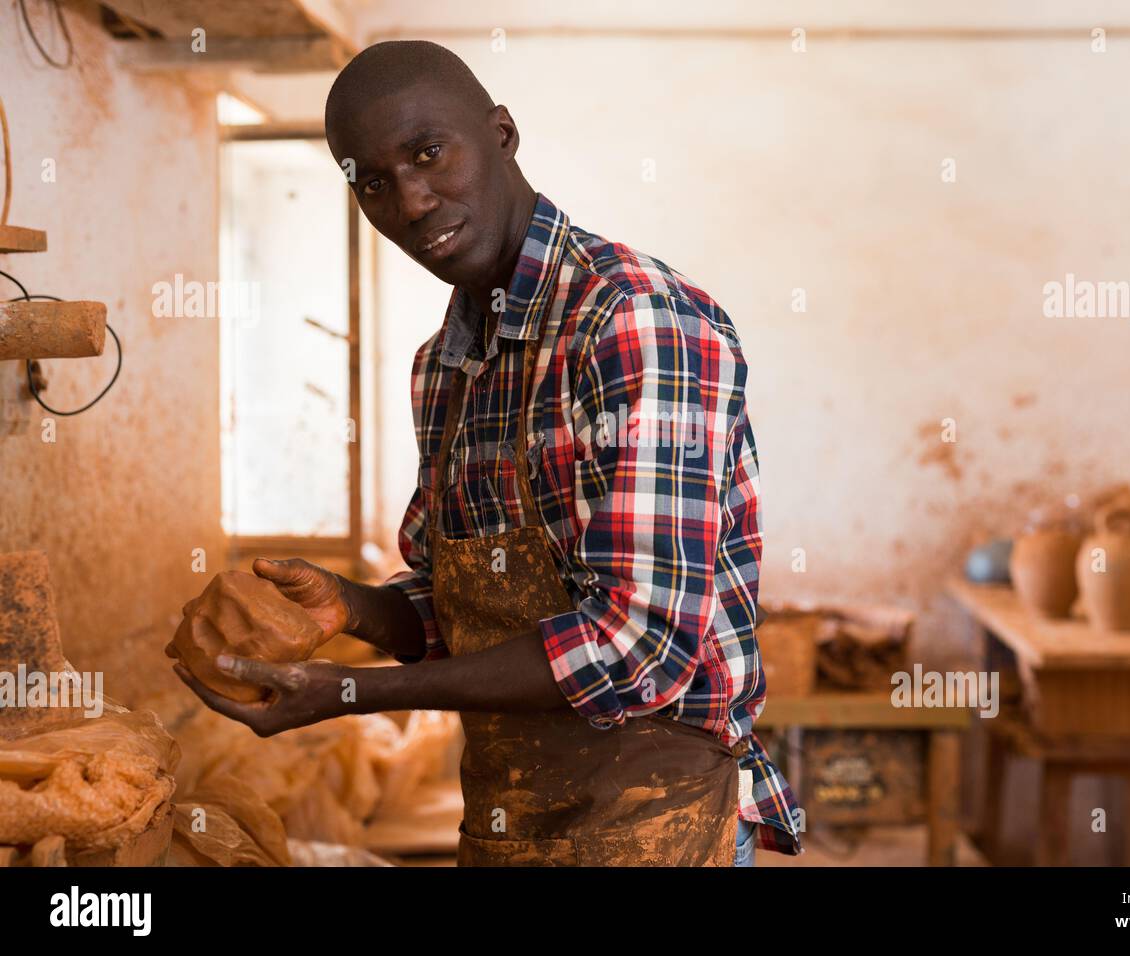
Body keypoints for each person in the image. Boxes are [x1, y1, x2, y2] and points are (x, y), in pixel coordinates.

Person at [174, 40, 800, 866]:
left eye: (428, 153)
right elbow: (466, 616)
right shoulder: (443, 368)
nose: (411, 201)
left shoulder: (632, 322)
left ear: (502, 133)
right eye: (372, 182)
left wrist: (355, 692)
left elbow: (637, 643)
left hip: (660, 827)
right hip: (508, 830)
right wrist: (350, 608)